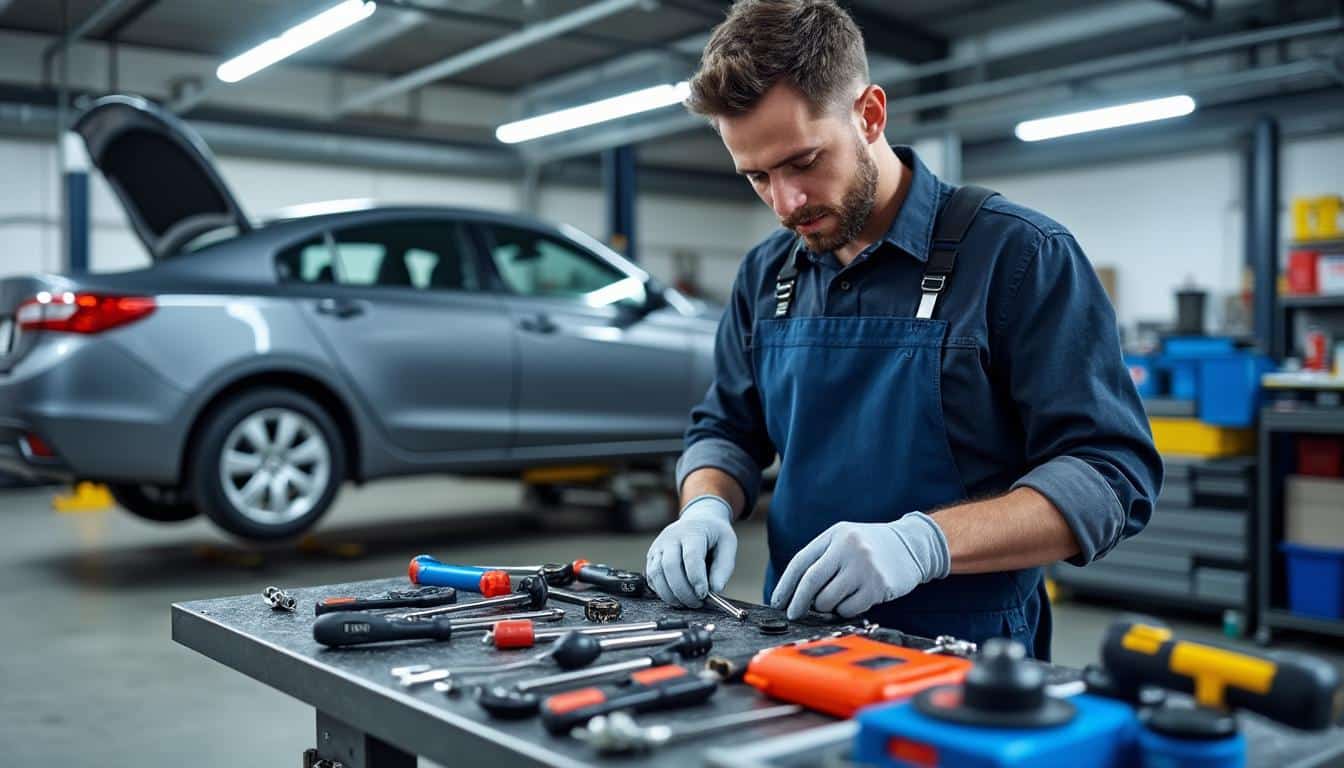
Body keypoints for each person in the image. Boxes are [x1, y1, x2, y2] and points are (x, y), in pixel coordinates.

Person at [643, 0, 1162, 659]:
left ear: (869, 114)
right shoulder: (767, 273)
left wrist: (924, 544)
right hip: (794, 646)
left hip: (968, 660)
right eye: (757, 177)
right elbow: (724, 430)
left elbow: (1111, 475)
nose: (785, 202)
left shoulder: (1020, 257)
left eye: (803, 161)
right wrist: (704, 507)